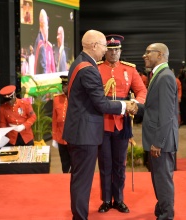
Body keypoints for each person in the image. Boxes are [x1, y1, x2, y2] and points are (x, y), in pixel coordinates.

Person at [62, 29, 137, 220]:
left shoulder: (79, 62)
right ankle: (79, 217)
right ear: (94, 46)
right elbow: (101, 103)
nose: (106, 50)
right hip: (84, 134)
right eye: (104, 45)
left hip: (79, 131)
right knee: (82, 181)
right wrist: (124, 105)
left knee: (79, 179)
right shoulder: (89, 69)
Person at [97, 34, 147, 213]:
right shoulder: (97, 69)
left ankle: (118, 199)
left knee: (120, 163)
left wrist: (136, 103)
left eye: (116, 50)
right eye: (110, 50)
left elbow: (142, 90)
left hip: (122, 122)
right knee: (105, 164)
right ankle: (105, 200)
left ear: (120, 51)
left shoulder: (130, 70)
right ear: (105, 52)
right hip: (102, 122)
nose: (113, 54)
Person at [137, 43, 179, 219]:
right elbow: (153, 108)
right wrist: (137, 108)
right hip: (158, 140)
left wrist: (158, 142)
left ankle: (166, 215)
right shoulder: (159, 75)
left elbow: (167, 114)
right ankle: (162, 210)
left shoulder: (165, 77)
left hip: (161, 141)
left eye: (148, 52)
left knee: (162, 180)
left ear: (160, 54)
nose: (144, 56)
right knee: (159, 179)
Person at [52, 75, 70, 173]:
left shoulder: (77, 99)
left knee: (75, 163)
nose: (63, 88)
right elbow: (55, 120)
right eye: (62, 85)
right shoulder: (57, 99)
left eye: (66, 85)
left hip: (73, 137)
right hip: (61, 137)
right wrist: (55, 137)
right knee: (64, 162)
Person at [34, 9, 55, 74]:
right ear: (42, 25)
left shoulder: (41, 41)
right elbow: (43, 67)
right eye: (46, 25)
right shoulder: (41, 44)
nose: (47, 28)